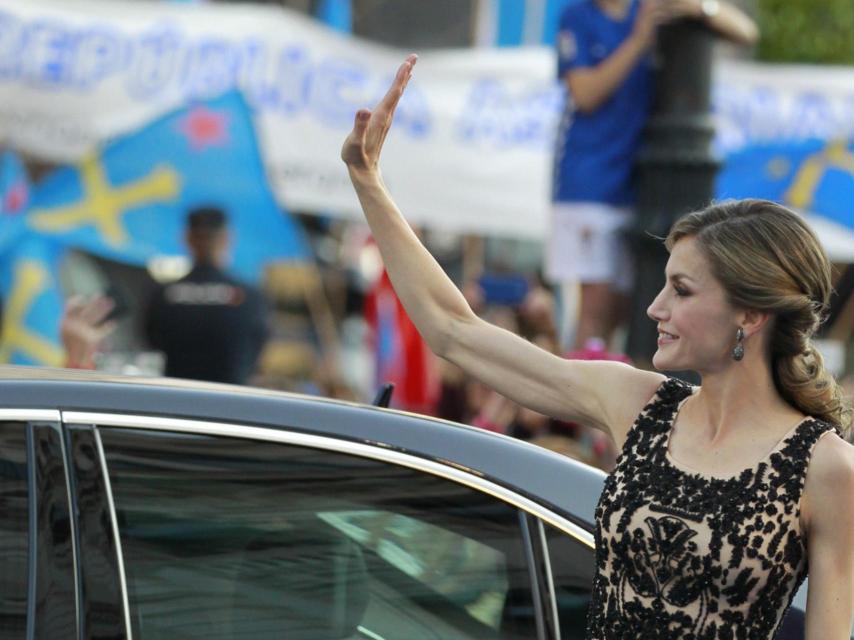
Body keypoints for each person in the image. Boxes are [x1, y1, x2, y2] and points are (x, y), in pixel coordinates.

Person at [341, 56, 853, 638]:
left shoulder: (826, 467)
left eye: (681, 290)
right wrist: (368, 181)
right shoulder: (640, 404)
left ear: (752, 312)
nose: (655, 307)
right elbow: (454, 331)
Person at [549, 0, 758, 350]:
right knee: (595, 308)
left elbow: (745, 31)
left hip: (638, 181)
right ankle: (574, 400)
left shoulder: (649, 6)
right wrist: (639, 40)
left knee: (628, 307)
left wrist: (699, 8)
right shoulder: (578, 15)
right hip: (590, 180)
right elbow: (585, 93)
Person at [145, 207, 269, 385]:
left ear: (187, 239)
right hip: (232, 404)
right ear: (227, 238)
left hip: (176, 400)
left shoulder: (163, 296)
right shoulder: (250, 297)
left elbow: (151, 344)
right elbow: (257, 351)